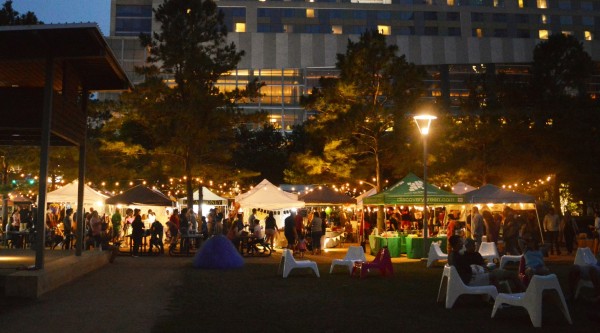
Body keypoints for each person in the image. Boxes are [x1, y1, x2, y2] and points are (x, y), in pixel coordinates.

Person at [448, 235, 524, 291]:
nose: (462, 244)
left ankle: (514, 291)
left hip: (472, 276)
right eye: (460, 242)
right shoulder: (460, 256)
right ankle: (501, 297)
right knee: (497, 276)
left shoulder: (454, 256)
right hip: (470, 278)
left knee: (505, 274)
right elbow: (468, 269)